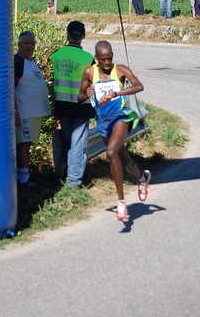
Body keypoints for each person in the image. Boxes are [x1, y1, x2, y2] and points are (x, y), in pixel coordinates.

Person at [78, 41, 151, 222]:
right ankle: (142, 178)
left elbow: (139, 86)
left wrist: (116, 94)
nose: (107, 62)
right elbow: (79, 97)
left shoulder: (120, 70)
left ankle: (120, 202)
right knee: (123, 159)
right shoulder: (89, 72)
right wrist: (85, 94)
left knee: (111, 152)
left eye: (110, 58)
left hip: (120, 117)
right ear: (96, 58)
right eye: (103, 59)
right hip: (102, 121)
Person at [50, 21, 95, 187]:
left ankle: (65, 174)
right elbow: (92, 82)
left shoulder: (56, 56)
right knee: (77, 145)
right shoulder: (88, 58)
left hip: (62, 106)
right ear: (83, 36)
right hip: (81, 106)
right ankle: (73, 182)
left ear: (67, 35)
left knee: (69, 141)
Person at [14, 31, 51, 188]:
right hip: (25, 114)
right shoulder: (18, 61)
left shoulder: (30, 62)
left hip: (33, 113)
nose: (30, 46)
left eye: (32, 43)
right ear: (19, 45)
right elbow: (10, 87)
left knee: (26, 144)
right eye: (26, 44)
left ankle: (20, 176)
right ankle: (23, 179)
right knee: (23, 144)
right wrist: (15, 112)